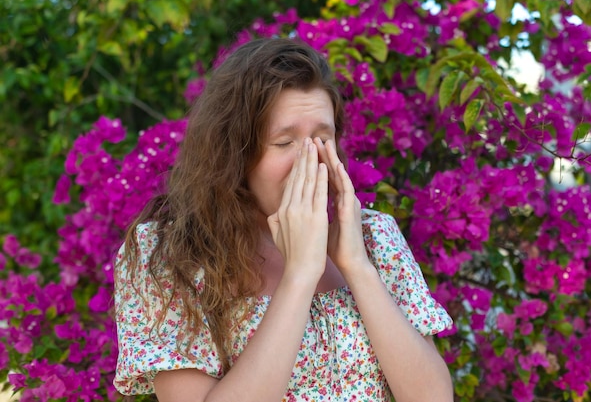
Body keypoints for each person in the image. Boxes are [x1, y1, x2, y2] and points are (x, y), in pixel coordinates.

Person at [114, 37, 454, 402]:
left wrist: (358, 266)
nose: (309, 159)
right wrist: (300, 274)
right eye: (283, 142)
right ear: (234, 152)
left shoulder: (373, 236)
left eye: (322, 138)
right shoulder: (168, 256)